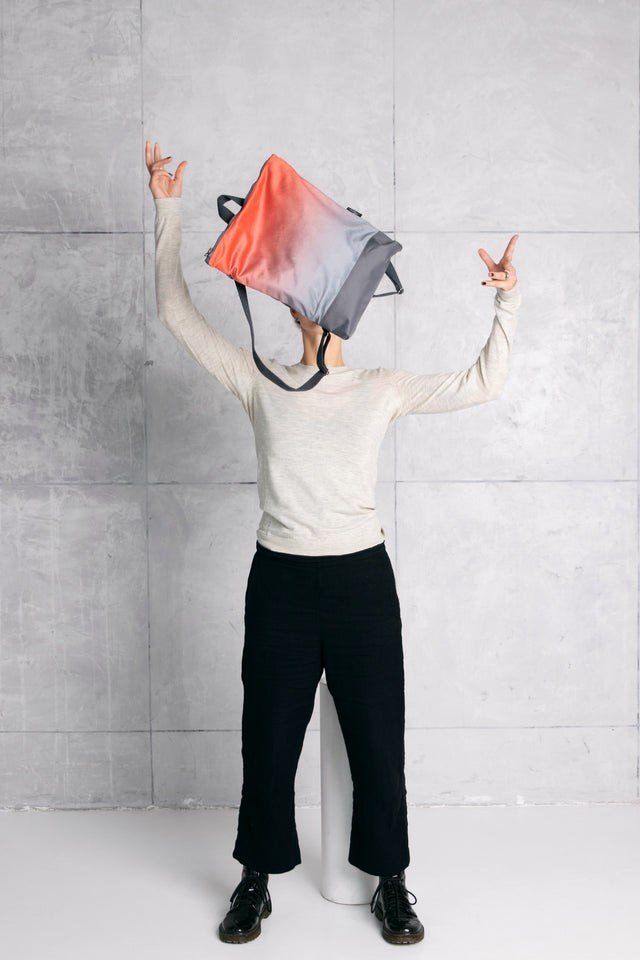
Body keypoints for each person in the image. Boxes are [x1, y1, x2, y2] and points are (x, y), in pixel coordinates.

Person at [145, 140, 522, 946]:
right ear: (292, 302)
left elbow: (483, 383)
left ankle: (392, 884)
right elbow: (177, 313)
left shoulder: (378, 388)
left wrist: (506, 302)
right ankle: (255, 879)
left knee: (378, 740)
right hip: (281, 582)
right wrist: (167, 208)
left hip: (360, 584)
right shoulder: (258, 378)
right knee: (268, 740)